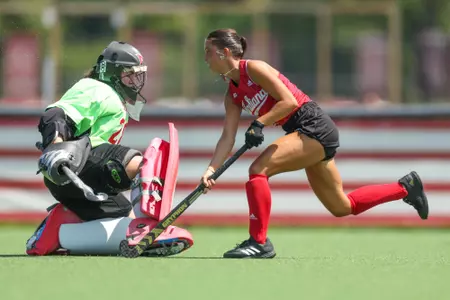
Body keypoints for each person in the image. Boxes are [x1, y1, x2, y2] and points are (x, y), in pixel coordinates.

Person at [201, 28, 429, 259]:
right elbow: (227, 137)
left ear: (224, 53)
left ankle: (259, 242)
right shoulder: (232, 95)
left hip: (313, 126)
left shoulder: (253, 68)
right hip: (303, 134)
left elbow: (288, 102)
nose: (205, 58)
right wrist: (211, 170)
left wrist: (259, 123)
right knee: (342, 207)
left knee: (258, 170)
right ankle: (405, 187)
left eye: (208, 52)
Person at [26, 41, 193, 256]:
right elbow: (55, 114)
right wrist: (56, 146)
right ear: (112, 73)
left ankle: (59, 230)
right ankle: (151, 225)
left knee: (125, 224)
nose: (134, 80)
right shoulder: (96, 88)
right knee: (141, 163)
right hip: (76, 165)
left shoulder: (106, 93)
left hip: (77, 178)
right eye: (129, 74)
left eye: (136, 75)